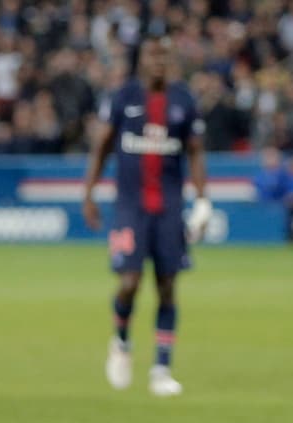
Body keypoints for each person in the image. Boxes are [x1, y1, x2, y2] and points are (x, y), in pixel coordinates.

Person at [82, 37, 210, 397]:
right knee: (129, 282)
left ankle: (161, 369)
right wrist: (88, 193)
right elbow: (102, 146)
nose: (158, 62)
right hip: (130, 208)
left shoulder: (184, 100)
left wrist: (202, 200)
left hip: (169, 208)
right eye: (152, 55)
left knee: (167, 285)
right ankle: (121, 341)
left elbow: (195, 152)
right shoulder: (123, 97)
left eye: (163, 56)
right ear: (142, 60)